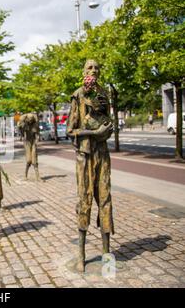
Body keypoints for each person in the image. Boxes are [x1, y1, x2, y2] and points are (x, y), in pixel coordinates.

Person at [66, 59, 114, 273]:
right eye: (89, 68)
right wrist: (93, 133)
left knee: (105, 198)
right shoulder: (78, 95)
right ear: (83, 71)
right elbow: (70, 130)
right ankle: (81, 255)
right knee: (84, 199)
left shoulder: (104, 94)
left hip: (102, 153)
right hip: (84, 155)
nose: (94, 70)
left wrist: (107, 131)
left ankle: (106, 253)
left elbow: (109, 121)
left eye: (97, 68)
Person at [17, 113, 41, 181]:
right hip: (27, 143)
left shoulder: (35, 125)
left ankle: (38, 177)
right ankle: (25, 175)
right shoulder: (24, 125)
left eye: (31, 120)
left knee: (34, 161)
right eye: (29, 120)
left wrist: (37, 139)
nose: (30, 121)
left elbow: (37, 134)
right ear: (27, 119)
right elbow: (19, 127)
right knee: (28, 160)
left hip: (33, 143)